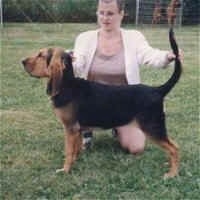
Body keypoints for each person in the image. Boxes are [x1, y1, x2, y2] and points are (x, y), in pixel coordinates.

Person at [72, 0, 180, 154]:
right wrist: (69, 61)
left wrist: (167, 56)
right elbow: (78, 62)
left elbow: (148, 55)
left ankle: (117, 125)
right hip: (93, 102)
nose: (105, 18)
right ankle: (88, 129)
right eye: (101, 13)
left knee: (136, 148)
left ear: (121, 14)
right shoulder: (84, 38)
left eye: (110, 13)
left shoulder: (133, 37)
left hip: (125, 103)